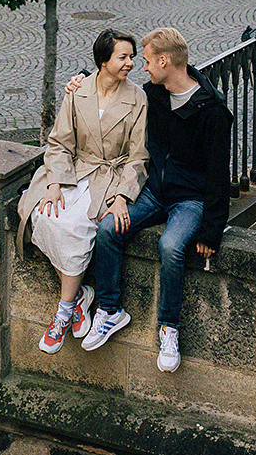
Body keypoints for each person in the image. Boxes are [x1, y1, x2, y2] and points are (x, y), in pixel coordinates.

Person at [76, 26, 232, 374]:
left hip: (190, 200)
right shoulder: (154, 93)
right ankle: (110, 309)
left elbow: (220, 175)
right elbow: (115, 89)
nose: (142, 67)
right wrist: (82, 80)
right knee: (107, 229)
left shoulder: (213, 112)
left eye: (146, 61)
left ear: (165, 61)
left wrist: (211, 231)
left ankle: (169, 328)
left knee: (170, 246)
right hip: (154, 191)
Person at [15, 29, 149, 354]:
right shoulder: (78, 92)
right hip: (76, 172)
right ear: (103, 61)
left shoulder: (137, 99)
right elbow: (60, 143)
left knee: (75, 228)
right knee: (42, 215)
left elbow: (139, 157)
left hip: (110, 177)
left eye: (132, 56)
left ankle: (63, 312)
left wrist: (121, 197)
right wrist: (55, 183)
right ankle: (78, 298)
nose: (131, 63)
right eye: (123, 57)